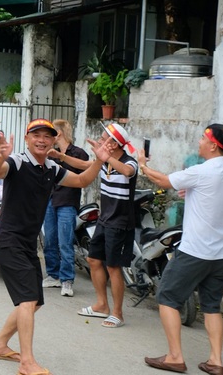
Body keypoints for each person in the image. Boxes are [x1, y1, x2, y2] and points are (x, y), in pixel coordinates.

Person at [0, 119, 107, 375]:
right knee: (28, 300)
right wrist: (0, 156)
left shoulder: (51, 167)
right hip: (8, 240)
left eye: (47, 136)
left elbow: (83, 180)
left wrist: (99, 160)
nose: (41, 140)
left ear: (54, 140)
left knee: (34, 302)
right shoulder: (17, 162)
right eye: (36, 135)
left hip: (28, 243)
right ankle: (27, 362)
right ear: (27, 139)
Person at [140, 124, 223, 375]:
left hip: (193, 252)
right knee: (212, 307)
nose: (199, 142)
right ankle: (215, 361)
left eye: (202, 138)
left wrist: (143, 164)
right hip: (221, 255)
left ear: (213, 145)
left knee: (167, 298)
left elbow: (163, 181)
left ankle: (175, 357)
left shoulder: (201, 171)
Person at [67, 123, 138, 329]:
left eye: (104, 138)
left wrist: (105, 157)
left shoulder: (129, 162)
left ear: (114, 143)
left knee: (113, 266)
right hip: (104, 219)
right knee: (93, 259)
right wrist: (61, 157)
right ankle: (101, 305)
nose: (99, 140)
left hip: (120, 223)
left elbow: (127, 171)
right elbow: (83, 166)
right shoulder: (104, 162)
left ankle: (118, 313)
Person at [42, 119, 89, 297]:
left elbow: (84, 169)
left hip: (67, 202)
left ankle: (67, 280)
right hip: (50, 200)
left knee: (65, 243)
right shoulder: (47, 153)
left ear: (59, 133)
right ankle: (53, 275)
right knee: (49, 241)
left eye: (51, 133)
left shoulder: (78, 153)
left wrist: (60, 157)